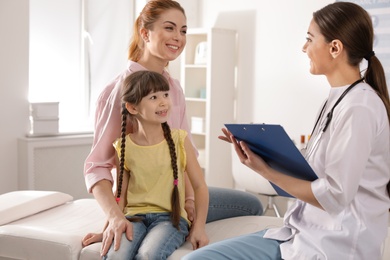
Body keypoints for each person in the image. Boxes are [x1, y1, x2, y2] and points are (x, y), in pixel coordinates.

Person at [183, 2, 390, 259]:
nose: (304, 48)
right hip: (300, 233)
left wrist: (266, 171)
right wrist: (259, 151)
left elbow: (334, 196)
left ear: (335, 48)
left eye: (309, 39)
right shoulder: (336, 100)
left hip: (332, 245)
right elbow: (312, 169)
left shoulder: (360, 107)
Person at [82, 0, 262, 256]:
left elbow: (184, 156)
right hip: (144, 206)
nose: (178, 37)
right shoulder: (120, 92)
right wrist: (114, 217)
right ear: (145, 33)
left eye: (184, 30)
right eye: (169, 28)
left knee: (252, 204)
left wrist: (189, 203)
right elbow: (97, 166)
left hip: (176, 199)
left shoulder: (174, 88)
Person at [103, 70, 209, 259]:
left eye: (166, 95)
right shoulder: (123, 146)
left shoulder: (180, 140)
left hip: (170, 219)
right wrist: (109, 226)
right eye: (154, 97)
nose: (163, 102)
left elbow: (200, 186)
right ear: (133, 108)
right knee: (115, 256)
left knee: (149, 255)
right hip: (134, 217)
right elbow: (120, 196)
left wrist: (199, 228)